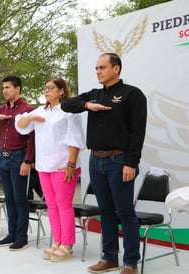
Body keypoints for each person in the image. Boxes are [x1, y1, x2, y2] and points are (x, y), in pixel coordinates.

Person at [61, 53, 147, 274]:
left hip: (120, 161)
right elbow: (67, 105)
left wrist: (131, 163)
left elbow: (138, 133)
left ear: (116, 68)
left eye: (102, 67)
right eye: (96, 68)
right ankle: (109, 258)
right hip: (96, 160)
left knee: (125, 212)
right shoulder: (95, 94)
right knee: (106, 211)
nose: (98, 71)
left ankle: (130, 262)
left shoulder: (132, 94)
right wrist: (89, 105)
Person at [15, 77, 85, 261]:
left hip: (63, 166)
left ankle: (67, 244)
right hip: (44, 166)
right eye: (45, 88)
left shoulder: (69, 111)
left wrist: (71, 164)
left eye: (51, 88)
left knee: (63, 205)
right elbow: (20, 125)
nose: (47, 91)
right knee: (51, 205)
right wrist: (30, 117)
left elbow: (75, 138)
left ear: (62, 91)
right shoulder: (40, 110)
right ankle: (58, 241)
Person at [0, 75, 35, 251]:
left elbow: (32, 138)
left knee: (20, 199)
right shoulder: (2, 108)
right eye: (3, 88)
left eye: (8, 88)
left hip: (18, 157)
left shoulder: (28, 109)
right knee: (9, 199)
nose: (4, 91)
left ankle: (21, 237)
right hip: (3, 158)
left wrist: (28, 160)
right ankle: (11, 234)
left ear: (17, 89)